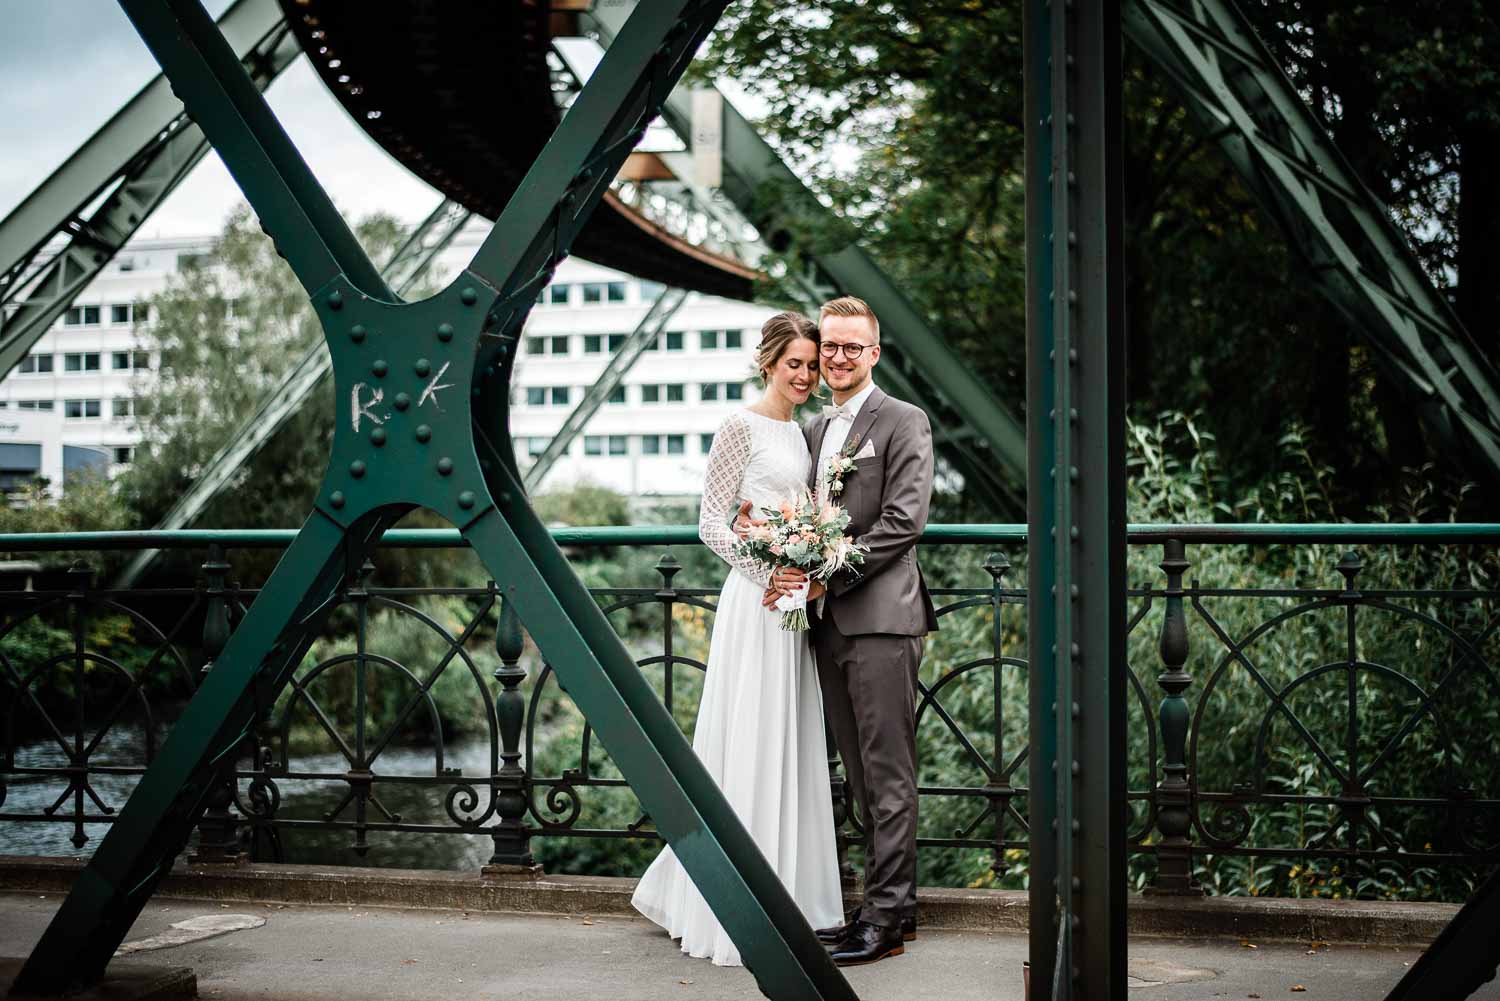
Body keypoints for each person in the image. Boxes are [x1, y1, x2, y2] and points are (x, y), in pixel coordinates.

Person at [630, 311, 843, 966]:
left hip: (791, 606)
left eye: (812, 365)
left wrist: (813, 561)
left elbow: (805, 511)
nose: (806, 375)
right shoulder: (739, 425)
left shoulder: (803, 431)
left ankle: (790, 895)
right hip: (755, 605)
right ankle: (734, 901)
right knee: (748, 737)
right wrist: (765, 569)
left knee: (787, 737)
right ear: (768, 362)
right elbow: (709, 523)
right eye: (795, 364)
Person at [759, 295, 937, 966]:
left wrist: (830, 573)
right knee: (861, 779)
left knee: (887, 774)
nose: (836, 357)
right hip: (826, 625)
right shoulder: (811, 431)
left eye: (850, 347)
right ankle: (892, 905)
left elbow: (903, 521)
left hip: (882, 619)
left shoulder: (903, 421)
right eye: (829, 346)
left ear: (874, 353)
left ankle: (884, 919)